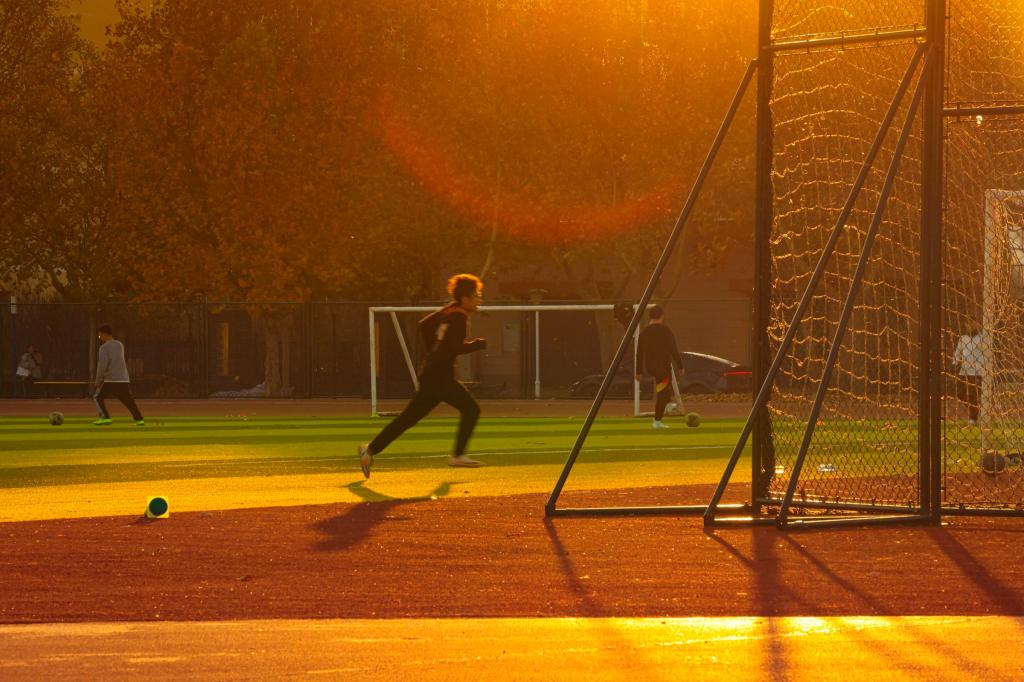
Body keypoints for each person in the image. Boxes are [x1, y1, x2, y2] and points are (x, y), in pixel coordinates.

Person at [358, 274, 487, 477]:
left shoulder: (448, 310)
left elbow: (424, 325)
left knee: (408, 419)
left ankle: (370, 450)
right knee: (472, 410)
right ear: (465, 298)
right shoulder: (459, 316)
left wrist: (432, 351)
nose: (479, 298)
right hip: (440, 378)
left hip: (432, 374)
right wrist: (477, 345)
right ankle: (458, 455)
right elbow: (455, 347)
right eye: (476, 295)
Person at [636, 304, 683, 429]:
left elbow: (639, 353)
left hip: (651, 367)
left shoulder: (644, 333)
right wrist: (680, 366)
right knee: (662, 392)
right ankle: (657, 420)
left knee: (663, 388)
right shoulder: (665, 330)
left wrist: (638, 371)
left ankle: (668, 402)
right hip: (663, 366)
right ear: (662, 316)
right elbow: (674, 349)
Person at [92, 324, 145, 426]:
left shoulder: (104, 348)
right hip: (123, 378)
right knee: (128, 400)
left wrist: (98, 380)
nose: (100, 338)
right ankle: (139, 419)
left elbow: (102, 365)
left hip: (111, 379)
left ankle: (105, 417)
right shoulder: (120, 344)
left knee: (97, 397)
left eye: (100, 335)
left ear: (104, 334)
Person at [953, 325, 984, 426]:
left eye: (971, 322)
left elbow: (986, 354)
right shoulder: (963, 338)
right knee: (959, 393)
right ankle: (974, 409)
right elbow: (957, 354)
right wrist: (954, 364)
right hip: (964, 371)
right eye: (967, 323)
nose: (969, 325)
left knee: (973, 395)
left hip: (977, 372)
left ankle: (973, 418)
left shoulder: (982, 338)